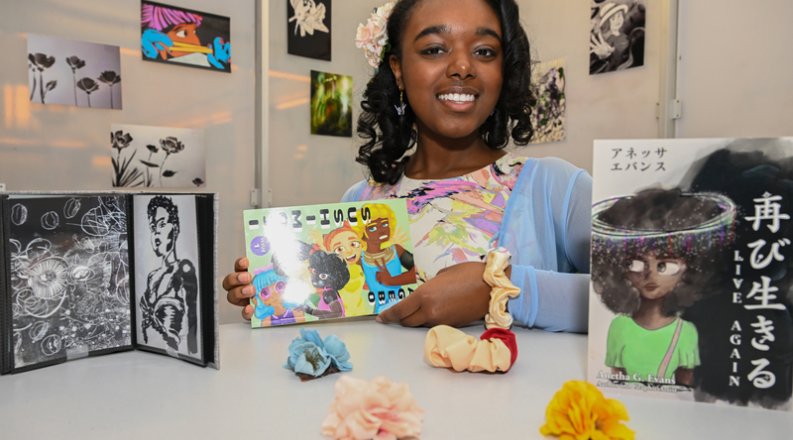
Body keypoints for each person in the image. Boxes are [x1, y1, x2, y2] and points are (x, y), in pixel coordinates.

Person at [225, 0, 592, 332]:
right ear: (398, 69)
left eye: (484, 51)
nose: (462, 66)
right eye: (434, 49)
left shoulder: (557, 188)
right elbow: (343, 317)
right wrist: (275, 292)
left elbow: (637, 302)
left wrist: (500, 287)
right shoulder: (360, 200)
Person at [591, 188, 735, 385]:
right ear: (620, 269)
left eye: (664, 266)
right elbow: (615, 380)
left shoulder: (686, 332)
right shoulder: (619, 327)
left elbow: (685, 386)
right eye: (636, 264)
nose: (650, 274)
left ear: (690, 270)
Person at [140, 195, 199, 354]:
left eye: (162, 224)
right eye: (153, 227)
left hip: (176, 355)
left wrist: (193, 355)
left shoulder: (183, 269)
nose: (157, 232)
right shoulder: (152, 277)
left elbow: (193, 319)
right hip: (146, 355)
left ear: (175, 228)